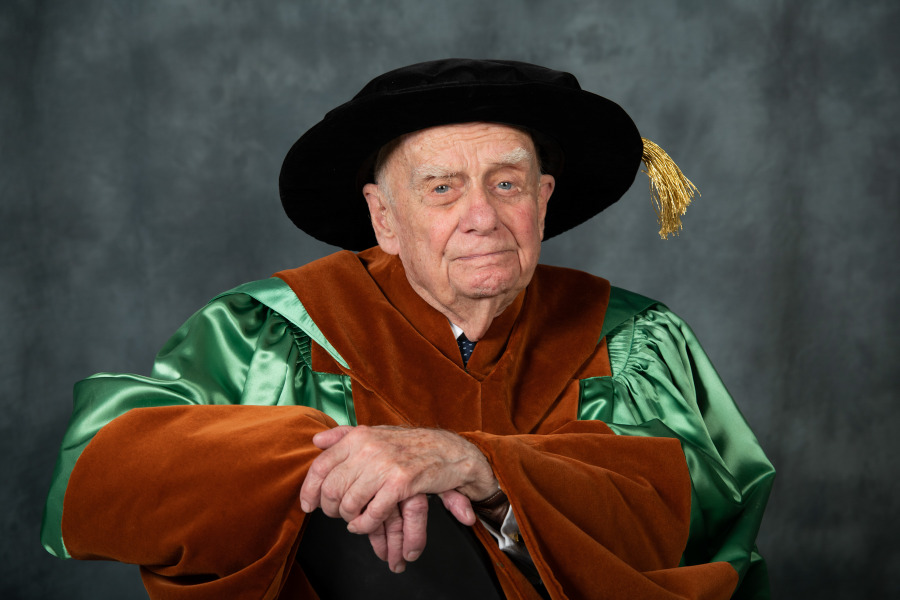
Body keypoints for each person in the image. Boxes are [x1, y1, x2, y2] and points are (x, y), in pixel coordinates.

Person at [41, 59, 774, 600]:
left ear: (544, 202)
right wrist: (345, 462)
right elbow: (101, 475)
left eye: (508, 183)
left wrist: (476, 464)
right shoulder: (267, 331)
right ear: (383, 219)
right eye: (442, 188)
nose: (483, 215)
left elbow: (685, 523)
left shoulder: (634, 341)